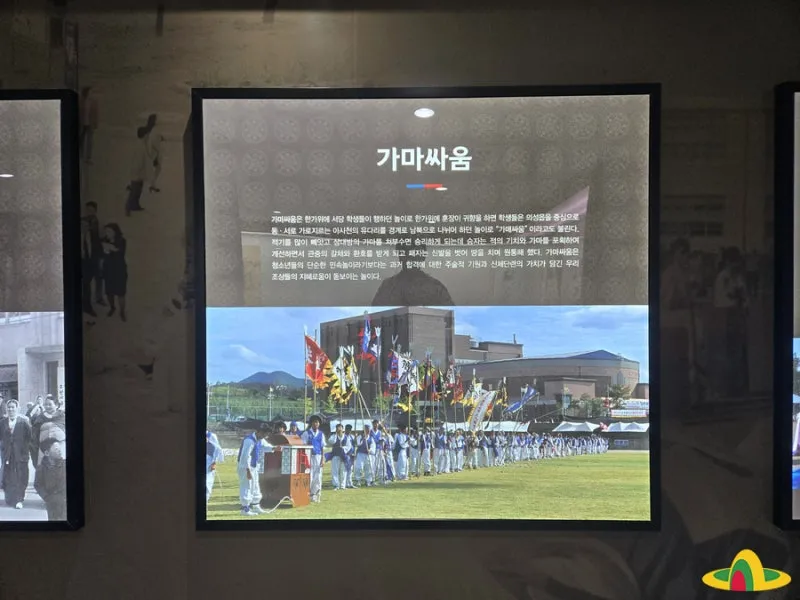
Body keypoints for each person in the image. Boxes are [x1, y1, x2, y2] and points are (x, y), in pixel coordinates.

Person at [371, 240, 454, 306]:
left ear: (423, 256)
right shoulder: (387, 286)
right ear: (399, 256)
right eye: (406, 252)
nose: (410, 258)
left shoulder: (436, 288)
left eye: (415, 253)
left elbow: (452, 317)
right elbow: (373, 317)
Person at [0, 400, 32, 509]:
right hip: (7, 454)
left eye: (13, 407)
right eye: (9, 407)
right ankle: (10, 497)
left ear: (18, 408)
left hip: (21, 454)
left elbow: (30, 438)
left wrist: (25, 450)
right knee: (8, 476)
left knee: (21, 475)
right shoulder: (2, 422)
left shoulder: (24, 422)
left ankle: (19, 499)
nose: (10, 409)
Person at [237, 424, 271, 516]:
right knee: (247, 486)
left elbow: (265, 446)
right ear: (259, 432)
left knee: (255, 486)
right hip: (245, 466)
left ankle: (256, 505)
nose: (265, 436)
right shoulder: (249, 440)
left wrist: (274, 448)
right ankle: (245, 509)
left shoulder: (260, 439)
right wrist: (247, 470)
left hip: (254, 466)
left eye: (266, 435)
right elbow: (245, 456)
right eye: (264, 434)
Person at [33, 437, 66, 521]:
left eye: (59, 448)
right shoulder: (41, 468)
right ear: (47, 453)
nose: (59, 451)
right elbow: (37, 484)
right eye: (56, 449)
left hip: (65, 500)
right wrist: (46, 497)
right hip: (52, 502)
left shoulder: (65, 465)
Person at [102, 223, 128, 321]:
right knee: (109, 292)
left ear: (115, 232)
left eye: (109, 231)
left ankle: (122, 311)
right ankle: (112, 307)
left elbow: (120, 253)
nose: (107, 233)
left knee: (121, 293)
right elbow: (101, 254)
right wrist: (108, 250)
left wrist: (110, 248)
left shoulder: (121, 241)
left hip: (119, 271)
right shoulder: (104, 240)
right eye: (106, 231)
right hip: (108, 271)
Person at [30, 394, 65, 466]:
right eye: (46, 404)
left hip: (60, 447)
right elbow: (34, 436)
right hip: (44, 449)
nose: (47, 406)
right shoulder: (40, 418)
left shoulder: (62, 416)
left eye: (50, 404)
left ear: (56, 405)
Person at [83, 202, 105, 308]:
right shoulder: (83, 221)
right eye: (88, 210)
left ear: (95, 211)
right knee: (87, 280)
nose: (89, 212)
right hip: (87, 256)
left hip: (96, 255)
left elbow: (100, 239)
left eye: (91, 210)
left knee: (98, 277)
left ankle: (99, 298)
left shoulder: (97, 222)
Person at [126, 126, 149, 216]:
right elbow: (139, 161)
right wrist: (139, 172)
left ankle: (135, 205)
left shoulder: (140, 144)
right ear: (144, 135)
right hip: (137, 172)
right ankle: (129, 207)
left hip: (138, 172)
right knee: (134, 191)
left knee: (138, 190)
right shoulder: (140, 146)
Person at [302, 415, 325, 503]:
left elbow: (322, 447)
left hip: (318, 457)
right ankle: (306, 494)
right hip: (309, 456)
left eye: (317, 422)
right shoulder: (306, 433)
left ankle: (315, 495)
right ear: (311, 423)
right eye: (314, 422)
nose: (316, 424)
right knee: (309, 476)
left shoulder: (321, 434)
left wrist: (322, 459)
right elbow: (303, 446)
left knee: (318, 477)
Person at [327, 423, 351, 491]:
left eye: (340, 428)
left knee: (343, 470)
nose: (339, 429)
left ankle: (342, 485)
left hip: (343, 456)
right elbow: (331, 441)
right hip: (335, 455)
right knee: (335, 470)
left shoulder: (346, 437)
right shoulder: (333, 436)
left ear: (343, 429)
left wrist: (343, 448)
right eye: (338, 428)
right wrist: (336, 435)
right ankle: (336, 485)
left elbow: (349, 446)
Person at [79, 86, 99, 163]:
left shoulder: (93, 102)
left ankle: (88, 157)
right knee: (81, 140)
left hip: (90, 124)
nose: (90, 93)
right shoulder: (81, 101)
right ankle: (80, 155)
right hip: (82, 123)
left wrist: (95, 123)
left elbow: (96, 113)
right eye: (89, 92)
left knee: (89, 142)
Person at [145, 114, 164, 193]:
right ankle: (152, 185)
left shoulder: (149, 129)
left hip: (151, 150)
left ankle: (152, 185)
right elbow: (154, 141)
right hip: (154, 151)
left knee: (155, 168)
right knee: (157, 168)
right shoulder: (154, 129)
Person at [353, 423, 376, 487]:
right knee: (359, 467)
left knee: (368, 468)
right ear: (364, 430)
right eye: (366, 429)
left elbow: (373, 446)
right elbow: (358, 444)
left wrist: (370, 450)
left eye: (369, 430)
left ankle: (368, 481)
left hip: (368, 455)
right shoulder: (360, 437)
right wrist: (363, 439)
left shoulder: (371, 438)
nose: (368, 431)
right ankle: (358, 480)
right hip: (360, 454)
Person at [205, 430, 224, 504]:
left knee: (207, 481)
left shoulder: (211, 435)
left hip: (209, 461)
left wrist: (214, 462)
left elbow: (217, 449)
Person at [343, 424, 356, 489]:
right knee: (345, 469)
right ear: (345, 429)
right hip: (345, 455)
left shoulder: (352, 437)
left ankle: (350, 483)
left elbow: (354, 445)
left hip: (351, 455)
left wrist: (354, 453)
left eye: (350, 429)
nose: (349, 431)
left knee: (350, 470)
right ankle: (344, 484)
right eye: (347, 429)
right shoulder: (343, 436)